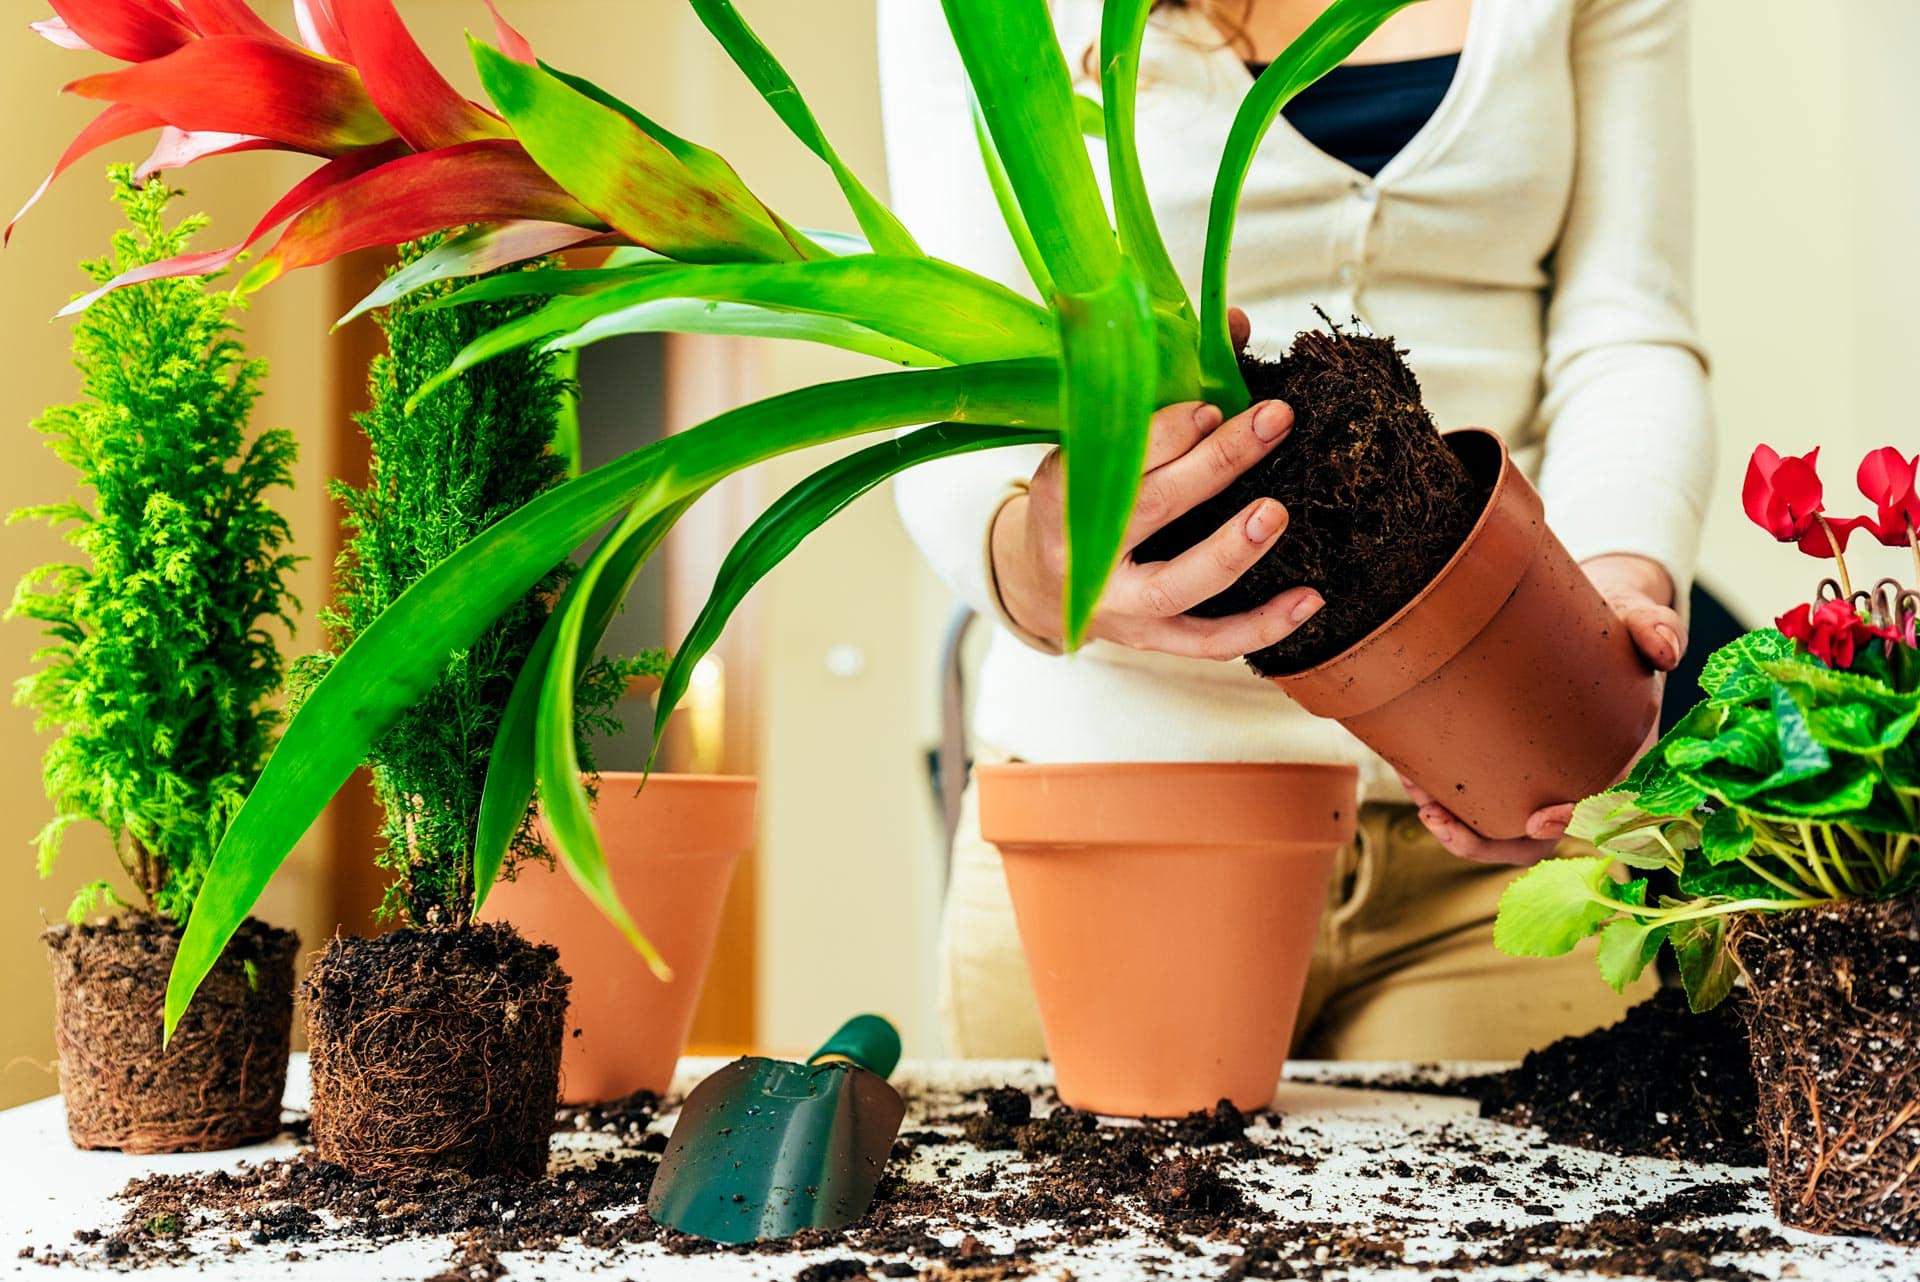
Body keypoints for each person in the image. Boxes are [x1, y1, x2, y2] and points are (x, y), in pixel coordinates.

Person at [878, 0, 1715, 1060]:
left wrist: (1604, 603)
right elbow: (949, 383)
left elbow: (1627, 329)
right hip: (1123, 805)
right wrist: (1041, 563)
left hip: (1502, 811)